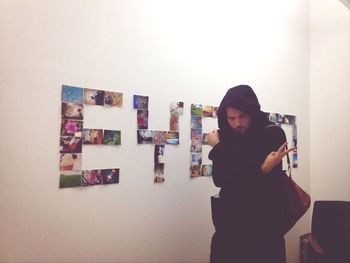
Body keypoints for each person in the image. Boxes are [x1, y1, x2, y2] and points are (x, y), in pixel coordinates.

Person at [207, 85, 295, 263]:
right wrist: (260, 169)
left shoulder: (272, 133)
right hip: (228, 231)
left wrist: (218, 148)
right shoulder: (226, 137)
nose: (237, 123)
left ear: (252, 113)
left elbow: (256, 187)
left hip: (263, 231)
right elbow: (220, 179)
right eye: (231, 118)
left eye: (242, 116)